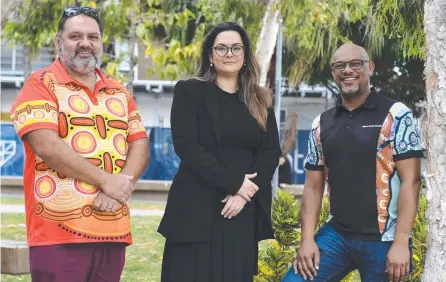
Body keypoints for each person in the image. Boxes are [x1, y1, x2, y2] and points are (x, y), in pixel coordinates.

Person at [9, 7, 149, 282]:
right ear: (58, 41)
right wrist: (106, 180)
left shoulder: (119, 91)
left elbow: (140, 144)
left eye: (92, 37)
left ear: (100, 42)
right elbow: (46, 146)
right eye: (75, 36)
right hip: (57, 232)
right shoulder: (39, 84)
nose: (85, 43)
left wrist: (119, 184)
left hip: (113, 229)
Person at [282, 43, 423, 282]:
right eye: (340, 66)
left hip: (385, 239)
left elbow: (412, 180)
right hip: (337, 235)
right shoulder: (321, 124)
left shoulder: (396, 115)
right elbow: (313, 187)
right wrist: (307, 241)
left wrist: (401, 241)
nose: (347, 70)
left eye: (355, 64)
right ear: (334, 73)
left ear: (370, 68)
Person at [158, 22, 282, 282]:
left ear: (246, 55)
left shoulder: (260, 99)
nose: (229, 54)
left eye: (236, 48)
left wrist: (245, 194)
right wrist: (235, 182)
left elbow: (270, 153)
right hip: (194, 210)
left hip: (238, 212)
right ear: (210, 55)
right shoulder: (189, 91)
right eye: (222, 48)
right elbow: (186, 145)